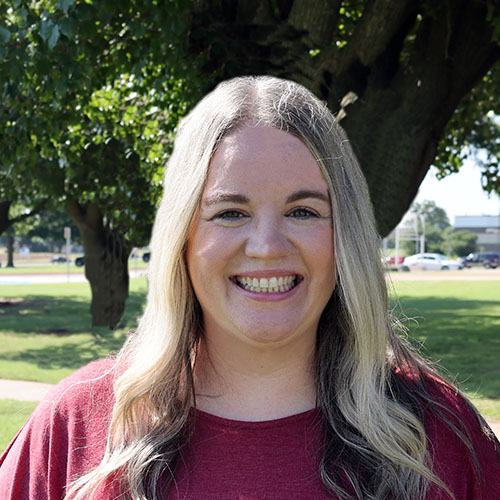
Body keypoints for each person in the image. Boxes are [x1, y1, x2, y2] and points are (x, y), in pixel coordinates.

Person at [1, 75, 499, 500]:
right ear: (185, 237)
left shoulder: (440, 440)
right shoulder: (78, 426)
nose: (266, 246)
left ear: (345, 236)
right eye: (230, 212)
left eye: (303, 211)